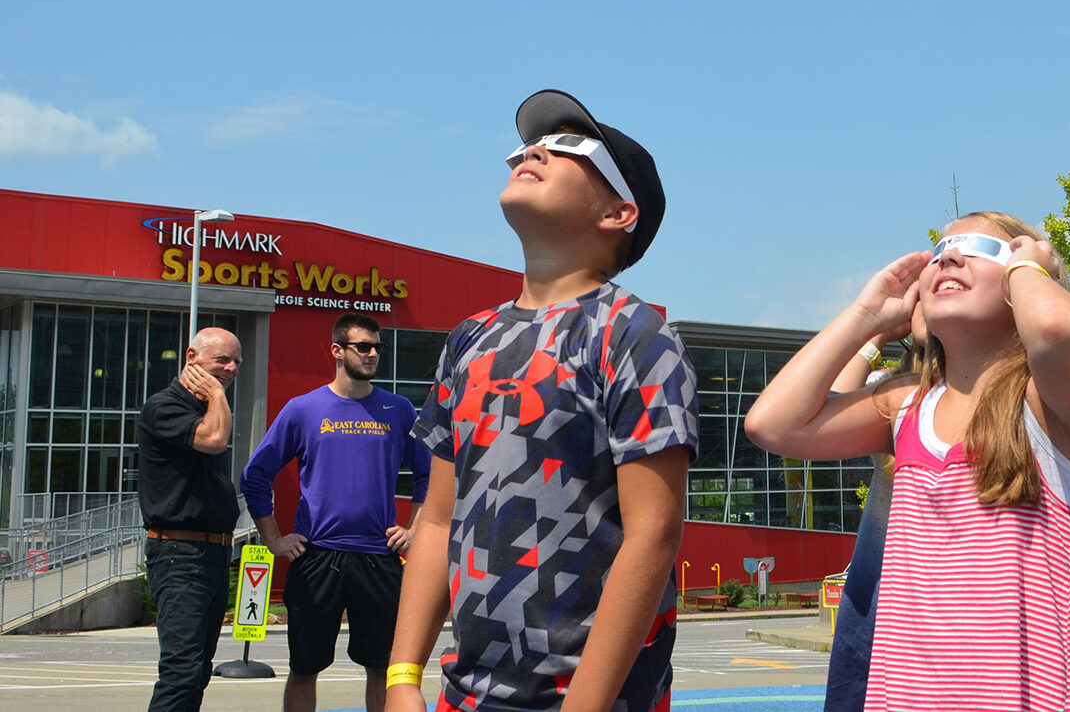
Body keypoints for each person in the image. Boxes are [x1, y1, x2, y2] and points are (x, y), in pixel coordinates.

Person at [384, 89, 697, 712]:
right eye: (527, 145)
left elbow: (654, 534)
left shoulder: (633, 334)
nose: (531, 151)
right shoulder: (469, 338)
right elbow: (438, 519)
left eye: (569, 146)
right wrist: (400, 677)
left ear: (618, 213)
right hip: (466, 693)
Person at [746, 211, 1070, 710]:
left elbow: (1055, 326)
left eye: (979, 247)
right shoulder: (906, 406)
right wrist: (866, 317)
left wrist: (1031, 266)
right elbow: (772, 423)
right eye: (939, 251)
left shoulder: (1046, 402)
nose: (950, 256)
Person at [240, 313, 431, 712]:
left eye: (378, 346)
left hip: (379, 557)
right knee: (304, 667)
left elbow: (431, 477)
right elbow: (256, 475)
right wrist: (273, 538)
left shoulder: (397, 410)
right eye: (364, 346)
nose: (373, 353)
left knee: (383, 668)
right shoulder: (303, 409)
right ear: (337, 351)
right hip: (318, 556)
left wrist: (414, 530)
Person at [137, 326, 242, 712]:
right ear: (191, 357)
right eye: (222, 360)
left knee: (197, 669)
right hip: (179, 554)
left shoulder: (206, 409)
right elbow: (213, 440)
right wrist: (216, 394)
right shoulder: (166, 406)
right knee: (181, 669)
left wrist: (214, 398)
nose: (231, 368)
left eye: (236, 362)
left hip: (211, 555)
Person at [823, 311, 921, 712]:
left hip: (946, 601)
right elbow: (825, 406)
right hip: (876, 595)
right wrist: (876, 333)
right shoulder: (895, 394)